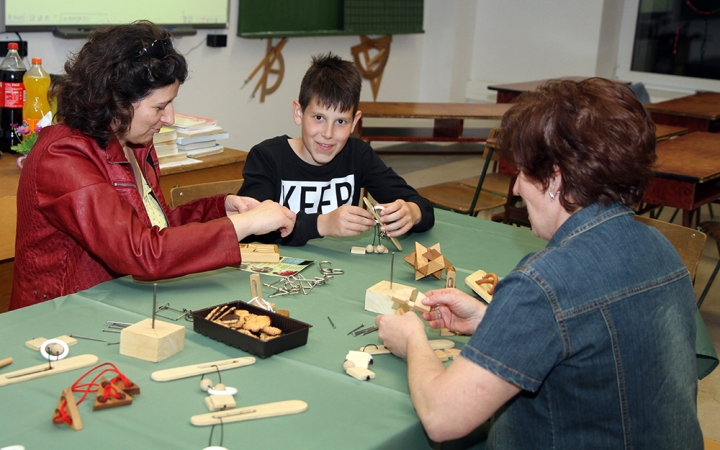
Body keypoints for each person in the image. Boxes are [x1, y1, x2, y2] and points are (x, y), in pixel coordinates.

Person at [375, 78, 703, 449]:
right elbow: (596, 340)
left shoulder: (542, 282)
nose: (515, 189)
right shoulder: (658, 246)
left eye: (523, 173)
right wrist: (493, 320)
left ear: (555, 179)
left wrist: (413, 340)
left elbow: (442, 417)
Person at [10, 21, 295, 310]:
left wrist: (221, 209)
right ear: (117, 101)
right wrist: (242, 224)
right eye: (160, 107)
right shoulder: (63, 155)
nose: (170, 118)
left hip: (116, 301)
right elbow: (141, 252)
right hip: (60, 318)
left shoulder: (134, 140)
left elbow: (157, 228)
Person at [238, 53, 434, 246]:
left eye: (341, 121)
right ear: (299, 113)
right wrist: (322, 224)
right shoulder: (267, 157)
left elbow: (421, 206)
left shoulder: (358, 155)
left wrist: (412, 212)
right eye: (319, 118)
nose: (328, 133)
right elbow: (249, 229)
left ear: (354, 122)